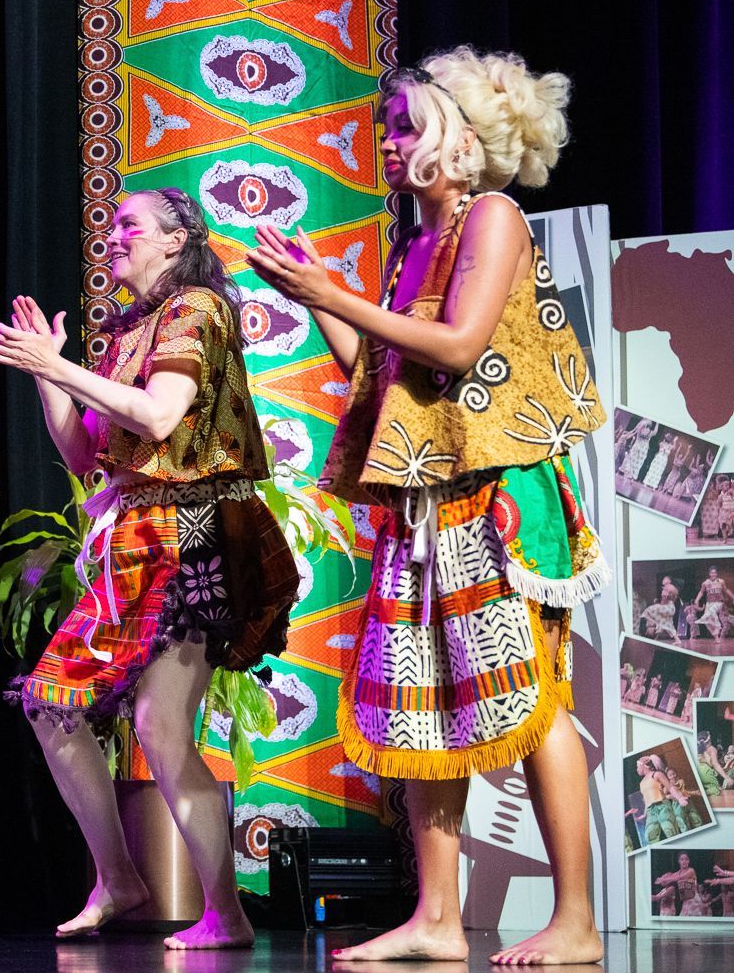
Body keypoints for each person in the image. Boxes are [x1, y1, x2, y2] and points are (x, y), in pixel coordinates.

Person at [246, 47, 610, 966]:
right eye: (391, 125)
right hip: (426, 498)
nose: (391, 139)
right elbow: (380, 375)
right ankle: (438, 917)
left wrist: (339, 296)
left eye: (408, 122)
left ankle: (576, 920)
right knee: (420, 704)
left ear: (462, 130)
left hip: (499, 496)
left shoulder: (494, 218)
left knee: (536, 701)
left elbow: (456, 346)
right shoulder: (416, 243)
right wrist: (316, 297)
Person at [0, 186, 298, 950]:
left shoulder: (194, 308)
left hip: (187, 530)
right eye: (112, 221)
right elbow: (87, 457)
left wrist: (59, 368)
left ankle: (210, 907)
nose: (113, 233)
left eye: (131, 224)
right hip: (136, 534)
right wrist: (48, 373)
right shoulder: (128, 330)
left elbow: (159, 417)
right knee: (89, 713)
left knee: (132, 723)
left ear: (176, 238)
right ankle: (131, 881)